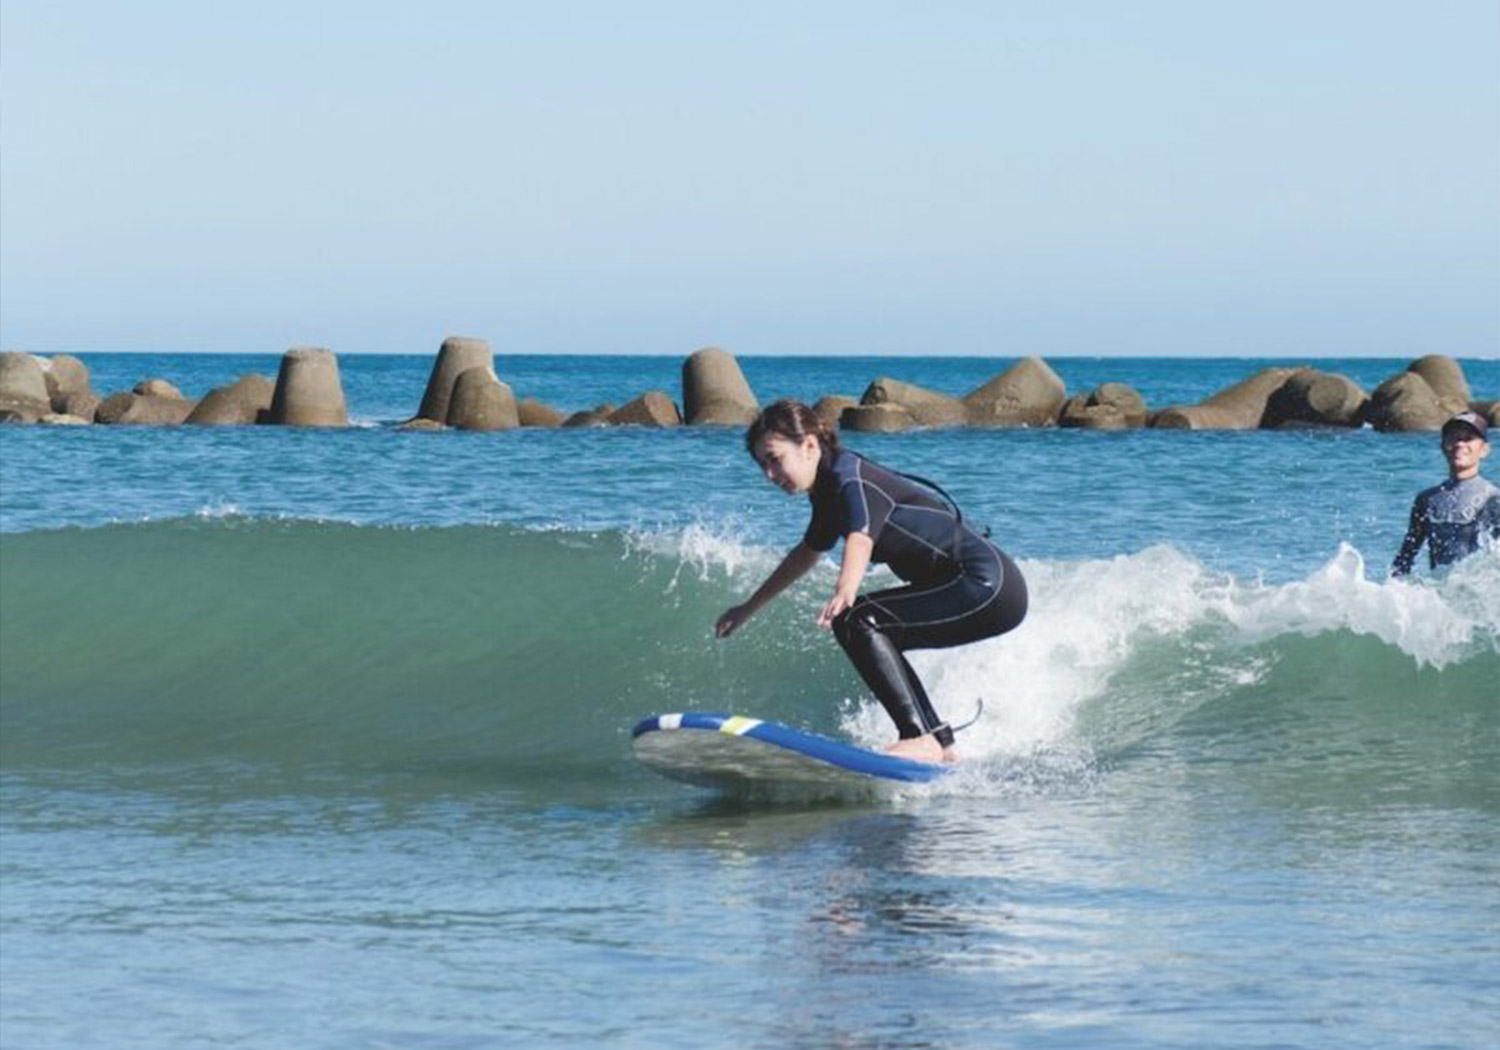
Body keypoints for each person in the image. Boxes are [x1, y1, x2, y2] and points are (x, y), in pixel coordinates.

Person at [715, 399, 1028, 763]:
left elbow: (860, 535)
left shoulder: (850, 478)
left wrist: (845, 590)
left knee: (859, 620)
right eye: (762, 465)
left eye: (774, 459)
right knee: (873, 627)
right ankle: (940, 745)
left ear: (810, 446)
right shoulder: (827, 492)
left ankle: (918, 737)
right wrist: (747, 609)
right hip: (982, 587)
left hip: (986, 584)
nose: (769, 474)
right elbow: (806, 554)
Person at [1392, 411, 1500, 576]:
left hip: (1479, 595)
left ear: (1484, 450)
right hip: (1439, 595)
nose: (1460, 444)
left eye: (1468, 438)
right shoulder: (1427, 500)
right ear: (1443, 446)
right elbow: (1405, 558)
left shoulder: (1493, 498)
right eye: (1454, 437)